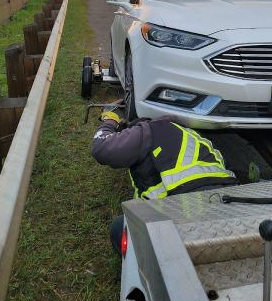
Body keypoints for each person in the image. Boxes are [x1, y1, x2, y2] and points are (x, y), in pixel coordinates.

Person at [91, 105, 237, 253]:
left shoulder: (148, 130)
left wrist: (110, 121)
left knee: (119, 228)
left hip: (182, 208)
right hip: (225, 205)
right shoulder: (196, 136)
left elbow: (101, 147)